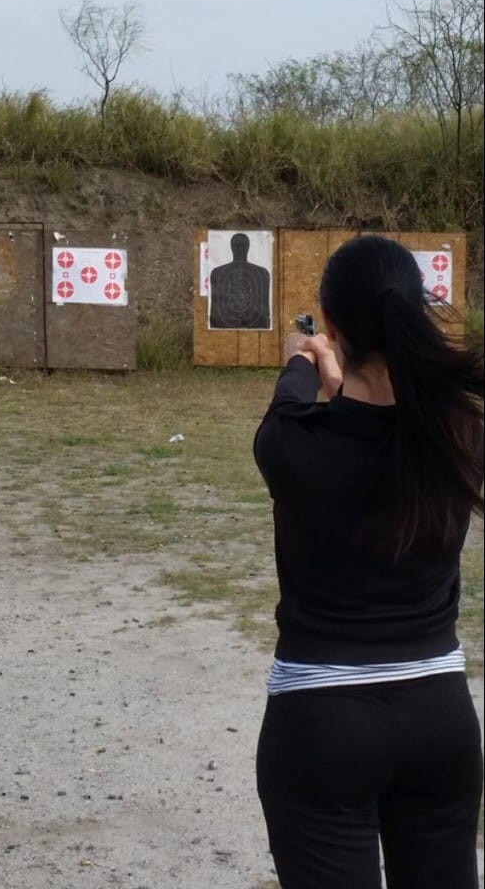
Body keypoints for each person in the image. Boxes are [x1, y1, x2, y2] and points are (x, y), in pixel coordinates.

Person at [254, 235, 484, 889]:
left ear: (330, 324)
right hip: (439, 720)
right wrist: (342, 377)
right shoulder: (458, 438)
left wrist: (308, 361)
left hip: (323, 726)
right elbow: (393, 425)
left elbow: (292, 404)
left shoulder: (289, 445)